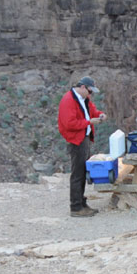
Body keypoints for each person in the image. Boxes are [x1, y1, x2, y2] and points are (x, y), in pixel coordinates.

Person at [57, 76, 107, 218]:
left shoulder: (83, 99)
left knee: (82, 172)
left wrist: (100, 115)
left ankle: (81, 202)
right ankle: (76, 207)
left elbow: (92, 110)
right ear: (84, 87)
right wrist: (89, 122)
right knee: (77, 174)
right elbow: (69, 124)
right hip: (76, 141)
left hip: (83, 139)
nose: (91, 95)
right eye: (90, 91)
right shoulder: (68, 100)